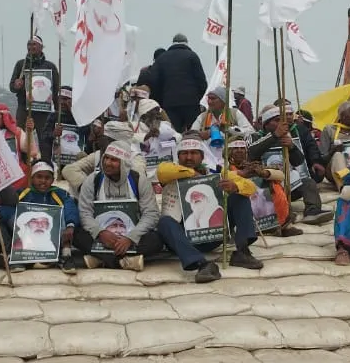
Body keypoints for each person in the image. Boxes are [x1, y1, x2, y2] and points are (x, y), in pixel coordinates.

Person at [157, 133, 263, 282]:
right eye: (184, 154)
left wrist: (235, 186)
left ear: (201, 157)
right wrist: (193, 173)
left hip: (211, 235)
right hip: (181, 238)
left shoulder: (215, 173)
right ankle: (202, 264)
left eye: (194, 153)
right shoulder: (170, 173)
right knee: (164, 222)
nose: (189, 158)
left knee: (239, 196)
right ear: (178, 156)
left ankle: (243, 252)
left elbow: (251, 187)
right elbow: (161, 171)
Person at [74, 141, 163, 270]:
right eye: (106, 158)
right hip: (102, 237)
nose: (108, 163)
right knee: (77, 234)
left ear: (124, 164)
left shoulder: (139, 180)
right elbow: (84, 213)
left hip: (131, 236)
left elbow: (151, 213)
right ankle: (124, 261)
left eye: (114, 160)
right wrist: (100, 232)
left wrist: (130, 238)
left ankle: (101, 259)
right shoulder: (93, 180)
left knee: (157, 240)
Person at [247, 105, 332, 224]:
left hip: (287, 182)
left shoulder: (287, 137)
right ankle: (284, 216)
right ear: (266, 123)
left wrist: (292, 147)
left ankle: (312, 211)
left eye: (282, 121)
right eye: (277, 120)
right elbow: (251, 153)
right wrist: (274, 136)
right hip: (265, 184)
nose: (282, 124)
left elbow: (298, 161)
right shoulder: (254, 136)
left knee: (308, 182)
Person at [225, 137, 301, 237]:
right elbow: (224, 177)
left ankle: (281, 224)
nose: (239, 150)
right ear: (229, 151)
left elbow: (281, 176)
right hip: (243, 204)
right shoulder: (224, 166)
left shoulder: (253, 164)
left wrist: (264, 173)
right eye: (236, 148)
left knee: (274, 185)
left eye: (242, 148)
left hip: (263, 204)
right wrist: (241, 174)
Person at [150, 34, 209, 132]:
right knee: (194, 133)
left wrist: (161, 102)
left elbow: (155, 84)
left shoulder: (161, 59)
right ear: (186, 43)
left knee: (171, 134)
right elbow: (202, 82)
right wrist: (197, 99)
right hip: (191, 104)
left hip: (169, 105)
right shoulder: (192, 56)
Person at [9, 35, 61, 130]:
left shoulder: (50, 66)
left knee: (44, 139)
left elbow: (56, 90)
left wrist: (58, 112)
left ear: (41, 47)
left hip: (43, 110)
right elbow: (12, 87)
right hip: (24, 108)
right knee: (21, 137)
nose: (30, 47)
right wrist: (16, 85)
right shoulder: (20, 64)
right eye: (28, 44)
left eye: (34, 44)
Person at [320, 102, 350, 189]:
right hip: (334, 171)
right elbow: (321, 159)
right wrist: (333, 151)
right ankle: (344, 187)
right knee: (338, 155)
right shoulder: (329, 130)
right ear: (343, 115)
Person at [42, 86, 91, 164]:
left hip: (76, 161)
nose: (62, 102)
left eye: (65, 99)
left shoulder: (81, 117)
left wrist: (73, 111)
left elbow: (86, 134)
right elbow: (44, 136)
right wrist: (54, 134)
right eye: (60, 99)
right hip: (57, 160)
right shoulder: (54, 116)